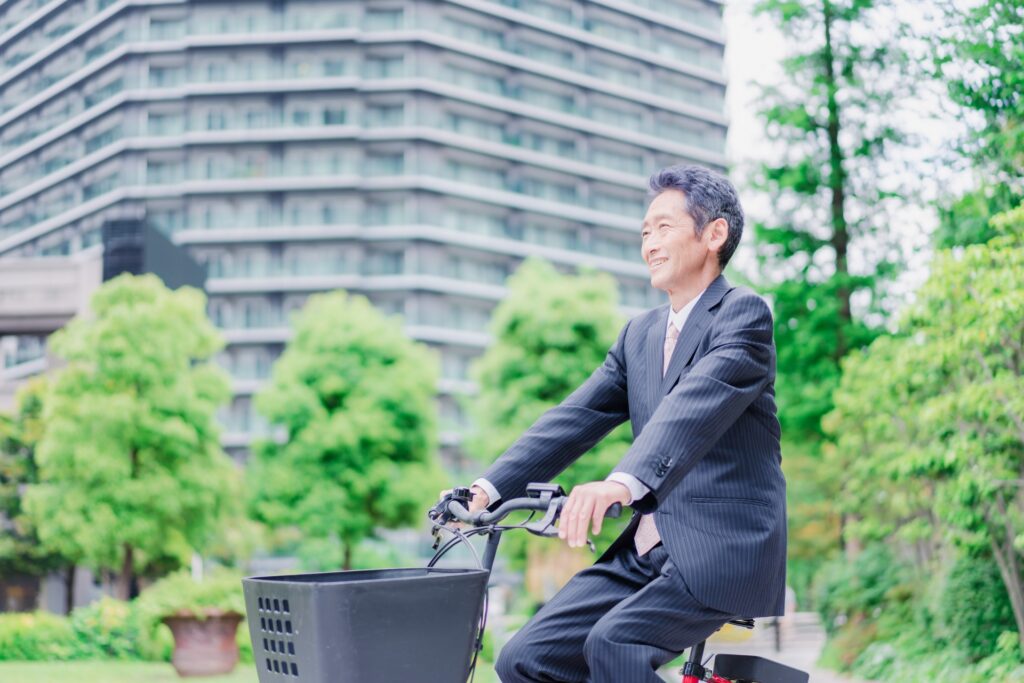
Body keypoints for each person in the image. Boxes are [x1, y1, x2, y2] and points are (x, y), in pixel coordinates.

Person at [463, 164, 787, 683]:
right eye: (644, 231)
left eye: (664, 227)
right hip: (646, 552)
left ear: (714, 234)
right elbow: (577, 416)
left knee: (614, 644)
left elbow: (692, 409)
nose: (649, 243)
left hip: (721, 546)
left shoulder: (742, 315)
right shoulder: (639, 334)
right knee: (524, 658)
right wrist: (487, 488)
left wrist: (619, 483)